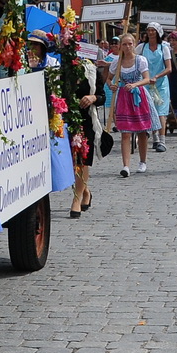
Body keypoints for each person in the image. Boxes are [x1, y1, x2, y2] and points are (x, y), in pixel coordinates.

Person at [64, 34, 102, 218]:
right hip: (66, 119)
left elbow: (101, 95)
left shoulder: (91, 70)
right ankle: (85, 190)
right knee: (71, 161)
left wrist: (93, 97)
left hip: (85, 120)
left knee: (81, 159)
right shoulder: (62, 71)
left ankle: (77, 198)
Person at [110, 35, 155, 177]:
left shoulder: (140, 60)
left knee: (142, 130)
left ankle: (142, 161)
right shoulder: (117, 62)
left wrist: (135, 84)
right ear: (120, 46)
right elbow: (107, 77)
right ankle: (126, 165)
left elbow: (147, 78)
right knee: (125, 132)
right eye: (124, 44)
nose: (127, 47)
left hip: (138, 96)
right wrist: (111, 85)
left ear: (134, 44)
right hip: (123, 97)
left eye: (130, 44)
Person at [139, 25, 171, 151]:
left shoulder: (164, 47)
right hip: (147, 83)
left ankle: (162, 140)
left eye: (153, 30)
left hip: (161, 84)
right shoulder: (142, 47)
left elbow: (169, 68)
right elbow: (130, 57)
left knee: (161, 112)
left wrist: (157, 76)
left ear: (158, 32)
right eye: (149, 30)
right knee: (150, 110)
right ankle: (155, 137)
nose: (151, 33)